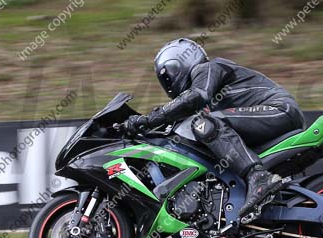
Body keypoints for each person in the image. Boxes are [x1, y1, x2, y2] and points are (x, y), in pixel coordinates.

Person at [121, 38, 305, 217]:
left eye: (167, 76)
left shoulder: (208, 68)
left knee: (203, 124)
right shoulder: (208, 92)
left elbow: (195, 97)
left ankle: (258, 177)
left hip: (278, 110)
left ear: (177, 65)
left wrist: (146, 120)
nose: (168, 84)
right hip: (271, 119)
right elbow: (178, 117)